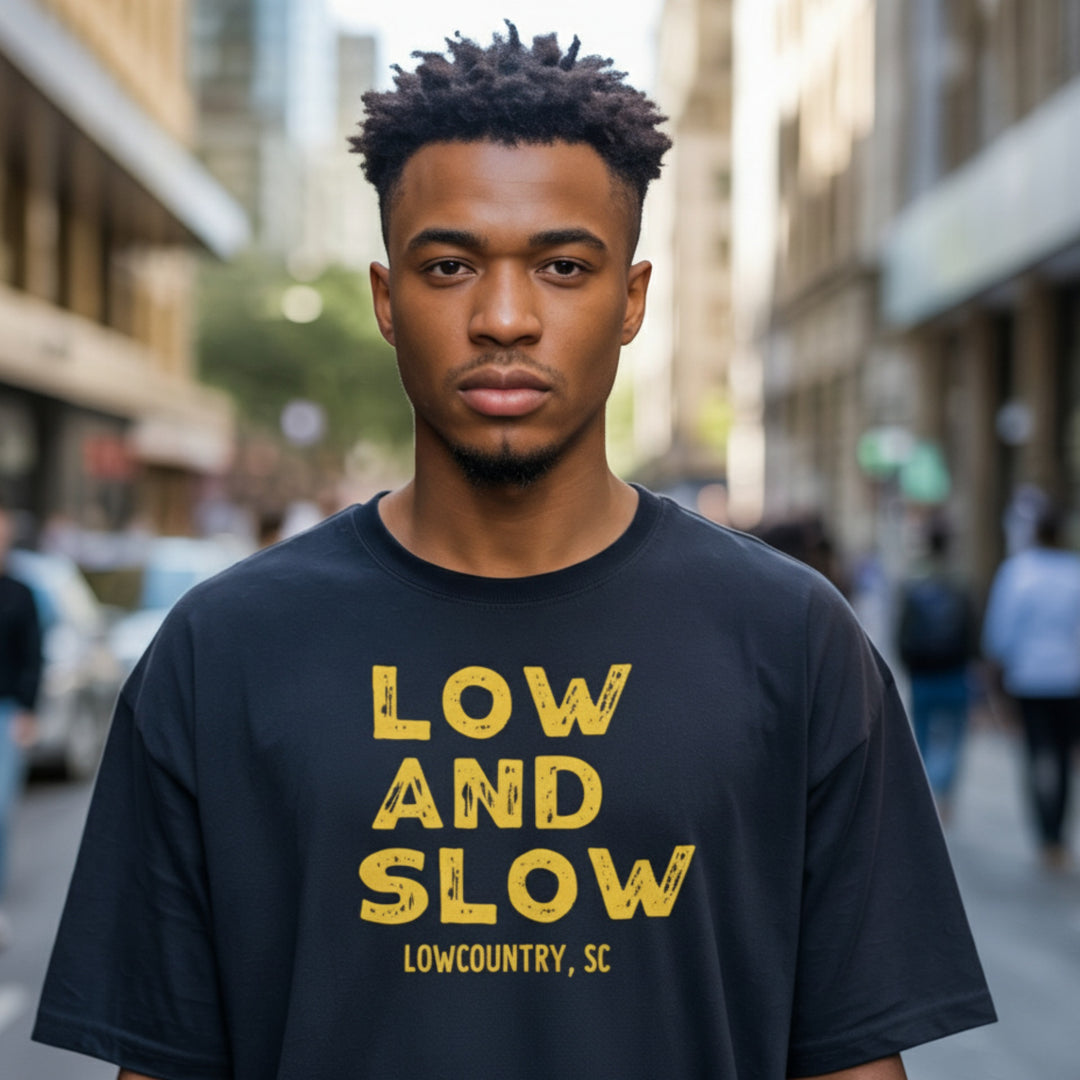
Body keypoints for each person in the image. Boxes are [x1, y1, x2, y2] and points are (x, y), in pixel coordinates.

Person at [34, 26, 994, 1079]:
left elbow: (853, 1059)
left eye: (562, 266)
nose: (503, 318)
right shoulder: (222, 651)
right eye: (449, 266)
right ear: (386, 300)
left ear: (631, 301)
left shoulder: (792, 641)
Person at [983, 505, 1080, 871]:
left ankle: (1045, 835)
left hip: (1030, 678)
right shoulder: (1074, 572)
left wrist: (997, 674)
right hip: (1069, 678)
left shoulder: (1018, 572)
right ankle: (1058, 836)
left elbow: (1001, 632)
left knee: (1038, 753)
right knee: (1062, 754)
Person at [896, 519, 977, 819]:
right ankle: (943, 795)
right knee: (955, 736)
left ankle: (926, 792)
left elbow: (902, 630)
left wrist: (907, 663)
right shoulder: (960, 584)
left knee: (923, 733)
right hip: (954, 670)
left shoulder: (913, 582)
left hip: (922, 672)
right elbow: (973, 630)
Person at [0, 504, 42, 947]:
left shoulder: (20, 593)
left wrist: (28, 711)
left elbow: (33, 655)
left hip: (6, 711)